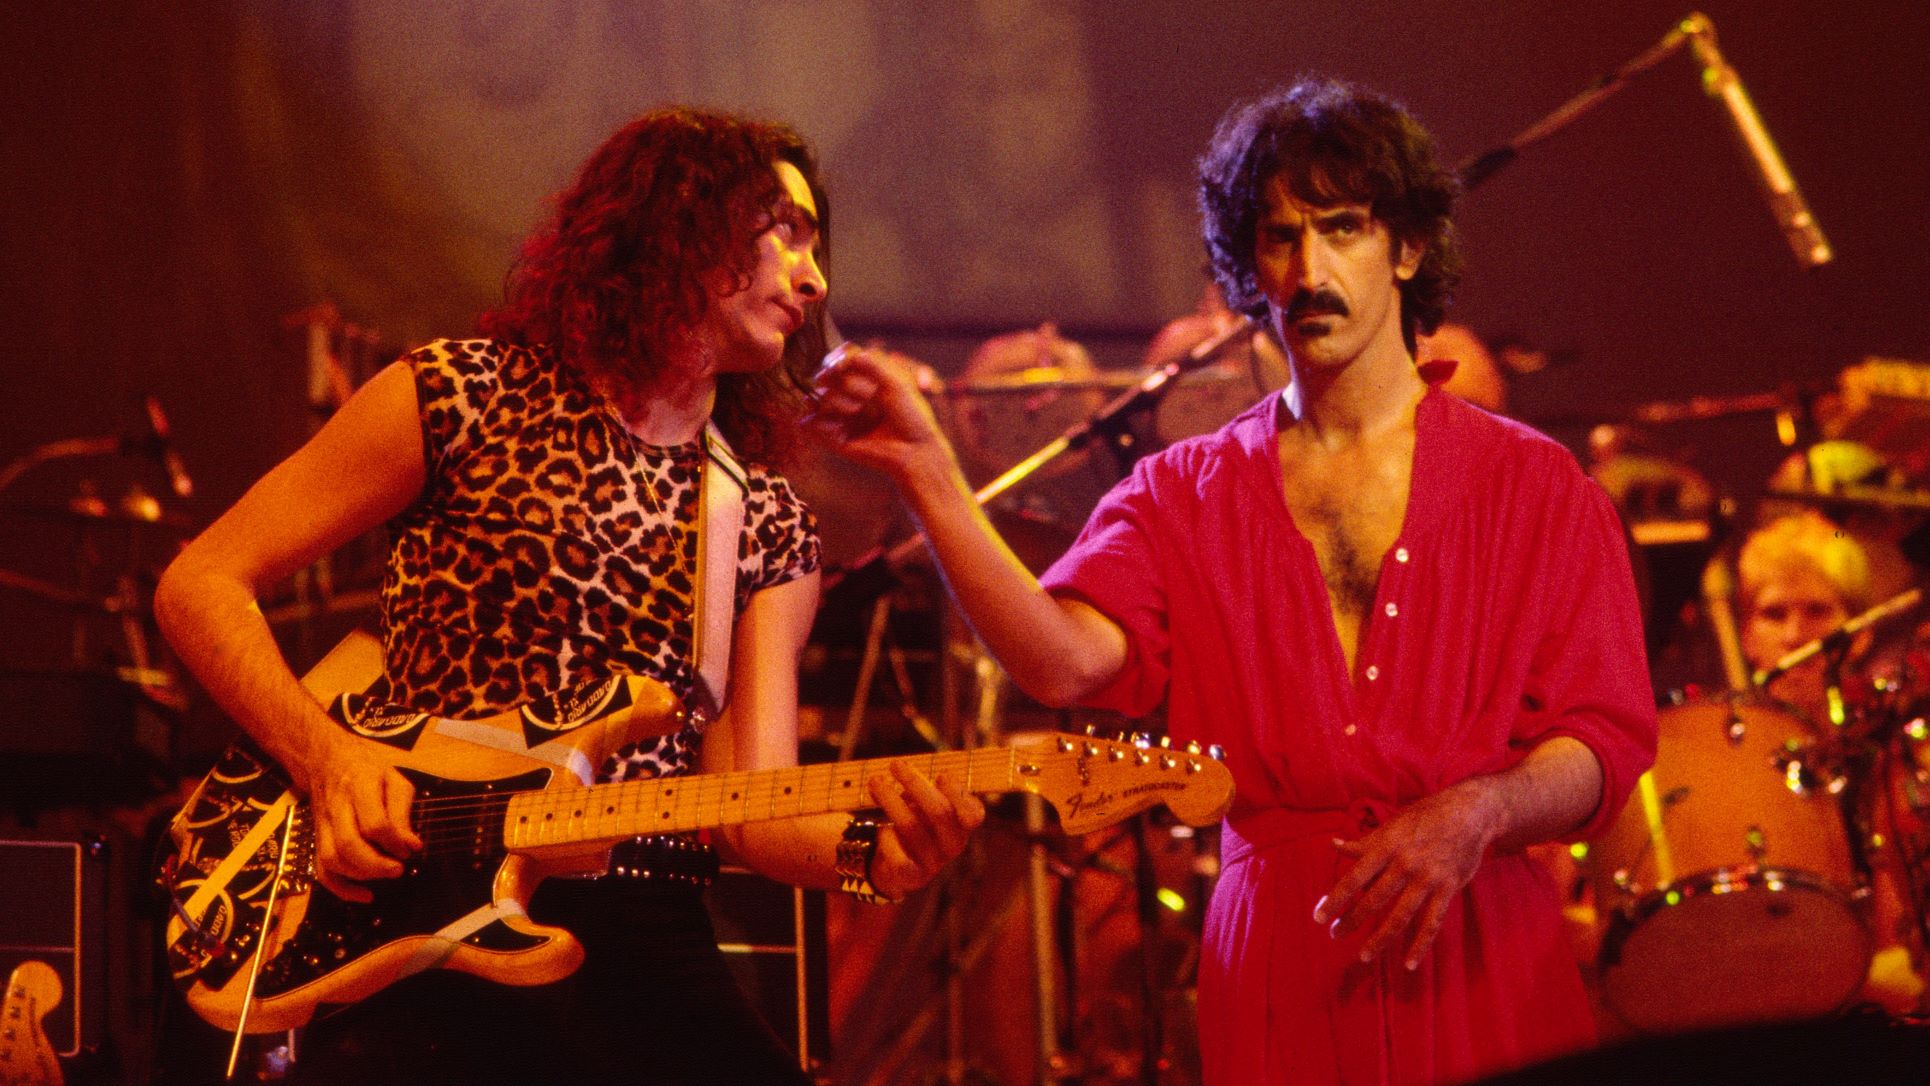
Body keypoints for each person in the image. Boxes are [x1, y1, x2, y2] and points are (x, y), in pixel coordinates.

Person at [810, 78, 1656, 1084]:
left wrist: (1476, 812)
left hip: (1481, 940)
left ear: (1408, 248)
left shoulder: (1536, 485)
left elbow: (1602, 742)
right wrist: (930, 477)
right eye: (1279, 237)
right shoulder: (1183, 491)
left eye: (1341, 229)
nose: (1310, 268)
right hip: (1279, 960)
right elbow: (1062, 664)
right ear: (1247, 266)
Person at [153, 108, 985, 1085]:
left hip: (644, 924)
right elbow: (201, 582)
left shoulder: (760, 516)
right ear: (687, 220)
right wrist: (329, 760)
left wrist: (872, 855)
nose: (815, 278)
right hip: (416, 908)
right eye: (788, 234)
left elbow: (753, 808)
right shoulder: (457, 397)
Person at [1734, 511, 1926, 1013]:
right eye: (1774, 614)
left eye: (1818, 611)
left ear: (1857, 633)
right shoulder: (1719, 763)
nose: (1797, 635)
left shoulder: (1886, 757)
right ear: (1747, 636)